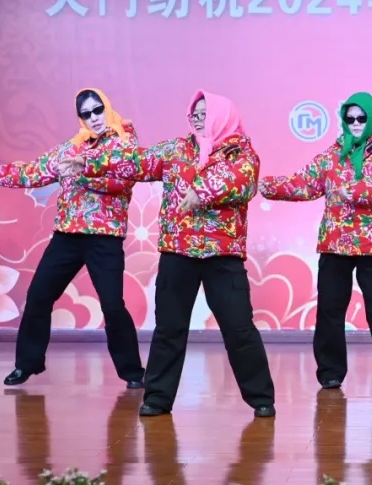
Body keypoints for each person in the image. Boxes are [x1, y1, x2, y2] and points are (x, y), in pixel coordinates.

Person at [62, 89, 276, 417]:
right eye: (194, 116)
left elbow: (242, 182)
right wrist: (90, 162)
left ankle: (261, 398)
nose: (198, 121)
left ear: (222, 116)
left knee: (239, 328)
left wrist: (202, 192)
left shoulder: (240, 152)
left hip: (222, 255)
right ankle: (157, 398)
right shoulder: (177, 149)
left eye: (205, 115)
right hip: (178, 251)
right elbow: (136, 161)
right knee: (169, 328)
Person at [0, 88, 145, 389]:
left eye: (98, 110)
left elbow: (122, 179)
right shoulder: (71, 148)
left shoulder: (124, 141)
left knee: (112, 305)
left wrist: (83, 169)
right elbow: (34, 171)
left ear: (107, 108)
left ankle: (132, 372)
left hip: (104, 237)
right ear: (81, 118)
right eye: (86, 114)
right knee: (39, 296)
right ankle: (26, 364)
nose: (94, 118)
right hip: (67, 236)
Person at [259, 92, 372, 390]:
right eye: (349, 118)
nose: (355, 123)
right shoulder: (333, 154)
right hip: (334, 244)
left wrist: (354, 191)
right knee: (330, 310)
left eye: (361, 118)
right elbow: (305, 184)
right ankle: (330, 372)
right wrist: (266, 185)